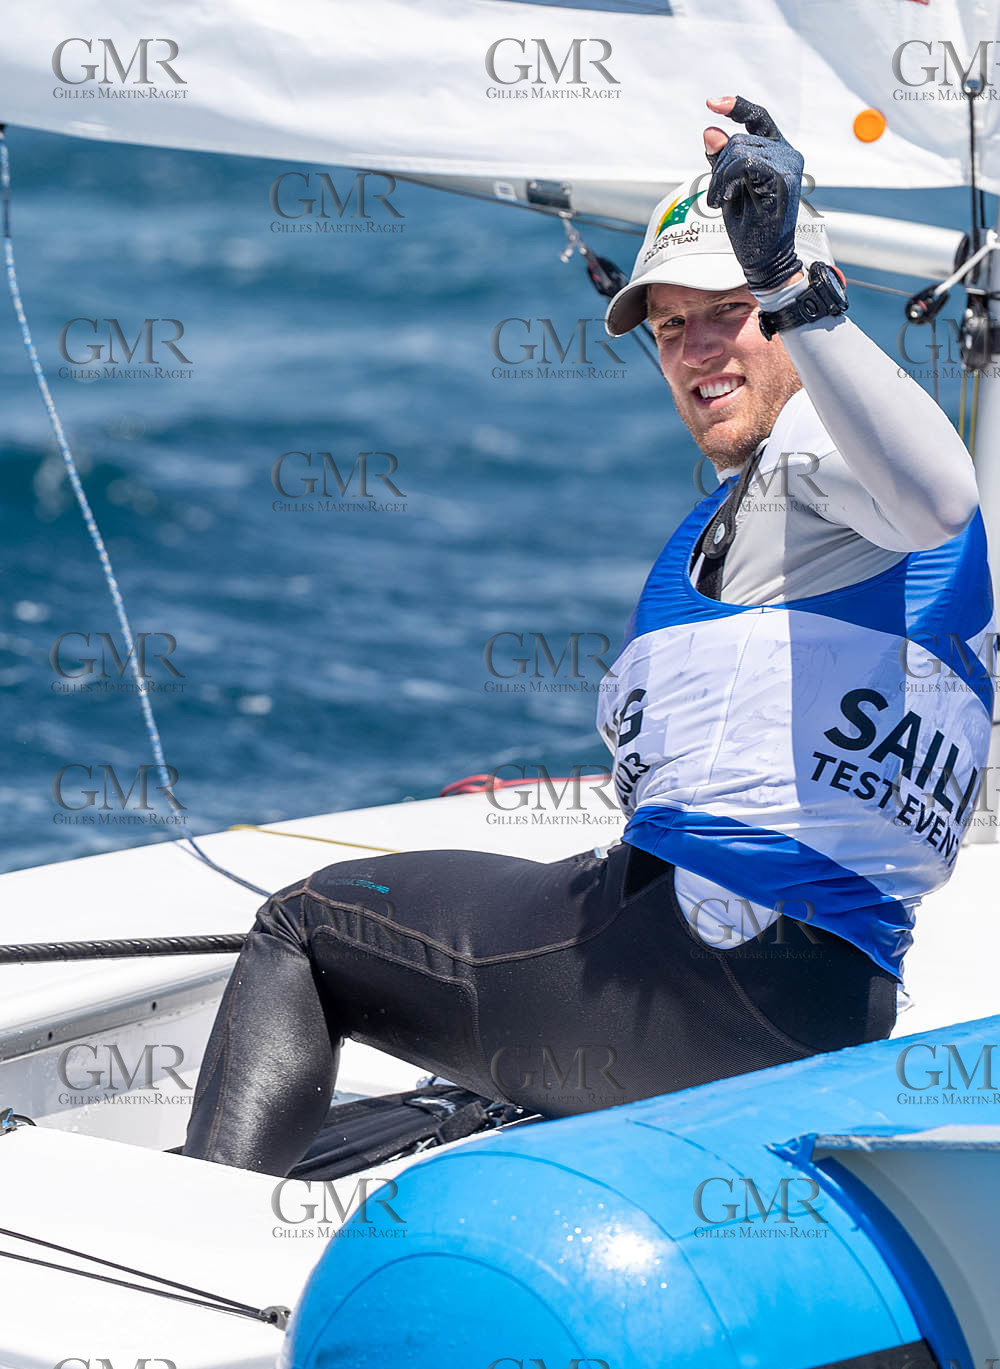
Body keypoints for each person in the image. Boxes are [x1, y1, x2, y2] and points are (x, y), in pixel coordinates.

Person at [183, 96, 993, 1174]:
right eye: (669, 326)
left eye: (729, 309)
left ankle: (208, 1230)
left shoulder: (816, 468)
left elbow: (931, 492)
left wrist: (794, 285)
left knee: (308, 927)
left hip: (680, 984)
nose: (696, 348)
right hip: (825, 1012)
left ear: (797, 303)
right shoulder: (927, 563)